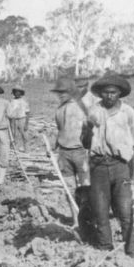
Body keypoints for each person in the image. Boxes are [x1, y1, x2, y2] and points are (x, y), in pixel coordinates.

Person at [84, 75, 134, 255]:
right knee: (100, 211)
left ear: (119, 93)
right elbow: (85, 143)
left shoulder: (128, 112)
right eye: (105, 92)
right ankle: (105, 248)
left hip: (120, 165)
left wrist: (133, 174)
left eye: (113, 92)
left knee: (125, 211)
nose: (109, 96)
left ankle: (131, 250)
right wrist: (88, 130)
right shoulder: (93, 111)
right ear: (100, 94)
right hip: (98, 165)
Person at [50, 77, 90, 224]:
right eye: (58, 92)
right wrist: (54, 147)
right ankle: (76, 220)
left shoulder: (82, 106)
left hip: (80, 152)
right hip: (64, 154)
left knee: (85, 188)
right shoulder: (59, 110)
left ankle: (87, 219)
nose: (61, 95)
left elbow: (91, 128)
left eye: (64, 92)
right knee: (69, 189)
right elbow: (60, 130)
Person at [7, 85, 30, 152]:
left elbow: (27, 113)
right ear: (13, 93)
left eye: (18, 92)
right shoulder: (11, 101)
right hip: (13, 120)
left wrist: (26, 124)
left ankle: (27, 150)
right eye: (15, 92)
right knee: (13, 136)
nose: (17, 93)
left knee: (25, 136)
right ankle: (14, 151)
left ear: (21, 93)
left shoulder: (24, 101)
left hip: (22, 119)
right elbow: (9, 112)